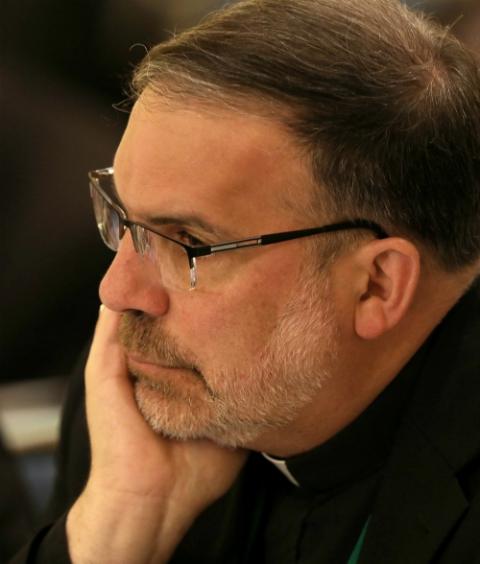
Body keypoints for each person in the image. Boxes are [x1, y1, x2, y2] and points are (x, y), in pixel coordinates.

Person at [11, 0, 480, 562]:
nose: (116, 293)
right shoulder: (133, 414)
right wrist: (119, 521)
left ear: (376, 285)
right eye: (126, 220)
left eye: (186, 240)